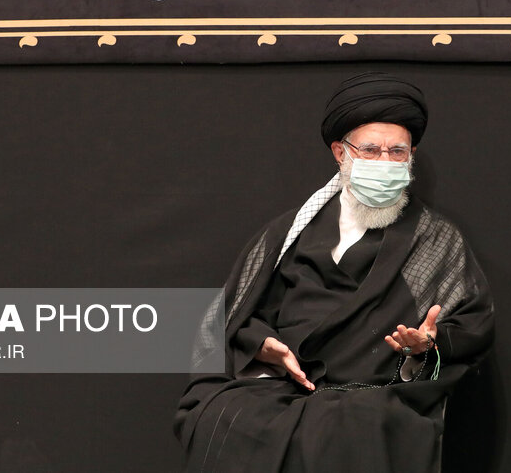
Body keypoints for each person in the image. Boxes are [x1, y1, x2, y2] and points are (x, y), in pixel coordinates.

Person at [174, 72, 494, 473]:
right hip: (280, 385)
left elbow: (474, 324)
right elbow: (235, 316)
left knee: (350, 425)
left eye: (397, 152)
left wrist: (428, 344)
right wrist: (263, 345)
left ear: (411, 156)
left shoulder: (434, 239)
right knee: (225, 415)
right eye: (371, 150)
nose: (385, 162)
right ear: (341, 153)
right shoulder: (289, 232)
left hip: (377, 391)